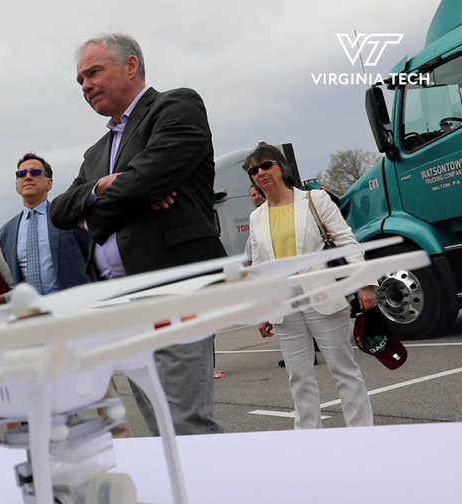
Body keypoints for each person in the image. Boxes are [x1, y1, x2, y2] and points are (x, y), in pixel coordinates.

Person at [50, 33, 227, 436]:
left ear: (131, 65)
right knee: (157, 421)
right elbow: (59, 212)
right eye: (80, 80)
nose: (85, 86)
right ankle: (184, 498)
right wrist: (101, 187)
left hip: (171, 288)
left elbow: (146, 183)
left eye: (93, 72)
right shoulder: (95, 153)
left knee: (185, 422)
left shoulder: (176, 106)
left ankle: (218, 496)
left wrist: (92, 214)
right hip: (120, 305)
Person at [245, 143, 375, 429]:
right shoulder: (257, 216)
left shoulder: (315, 200)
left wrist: (365, 283)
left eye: (266, 165)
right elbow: (260, 267)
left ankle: (362, 434)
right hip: (284, 302)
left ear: (281, 167)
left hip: (322, 292)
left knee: (344, 369)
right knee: (298, 375)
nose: (260, 173)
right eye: (254, 170)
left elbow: (345, 239)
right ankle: (307, 437)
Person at [0, 153, 90, 295]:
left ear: (49, 183)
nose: (28, 177)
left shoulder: (69, 216)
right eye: (21, 174)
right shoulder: (6, 232)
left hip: (74, 305)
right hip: (33, 311)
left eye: (35, 172)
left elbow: (91, 258)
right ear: (17, 186)